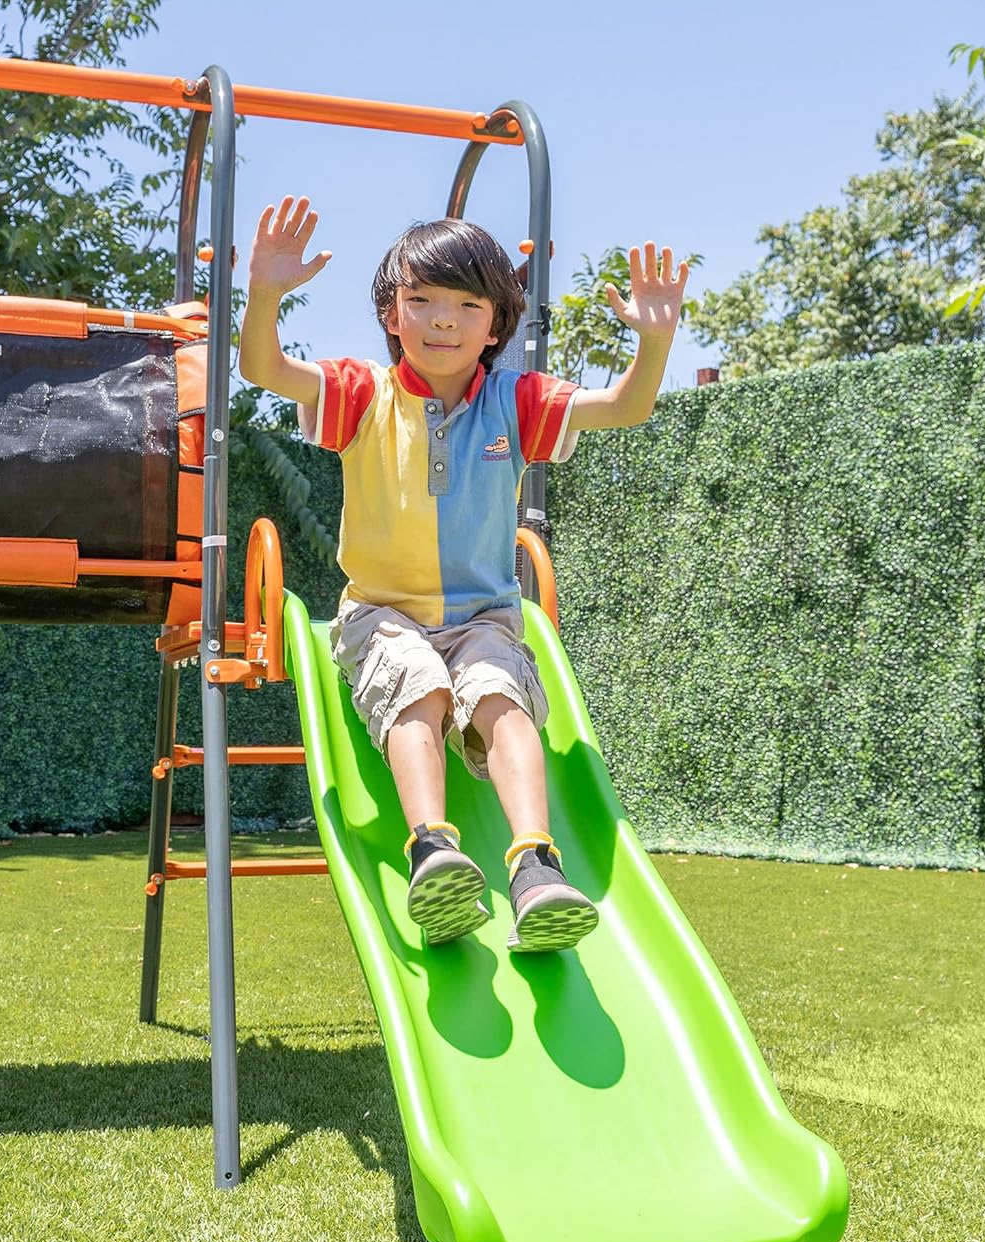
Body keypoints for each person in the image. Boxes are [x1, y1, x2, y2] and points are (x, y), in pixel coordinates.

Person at [239, 196, 688, 952]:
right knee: (418, 681)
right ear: (392, 314)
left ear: (495, 326)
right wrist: (264, 296)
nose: (443, 320)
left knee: (500, 694)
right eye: (422, 300)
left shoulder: (516, 401)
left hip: (484, 617)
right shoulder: (363, 393)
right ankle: (433, 851)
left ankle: (535, 866)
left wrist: (655, 343)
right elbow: (264, 368)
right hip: (382, 613)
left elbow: (624, 407)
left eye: (468, 305)